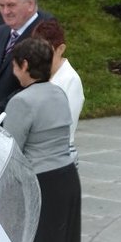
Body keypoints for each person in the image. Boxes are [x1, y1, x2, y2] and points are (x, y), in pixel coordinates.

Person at [1, 36, 81, 242]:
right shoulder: (58, 93)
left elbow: (12, 150)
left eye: (14, 64)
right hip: (66, 176)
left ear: (23, 66)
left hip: (40, 182)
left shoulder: (21, 101)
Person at [31, 19, 84, 162]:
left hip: (59, 154)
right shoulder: (39, 74)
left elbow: (66, 126)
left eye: (47, 52)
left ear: (60, 49)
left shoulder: (70, 80)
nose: (41, 58)